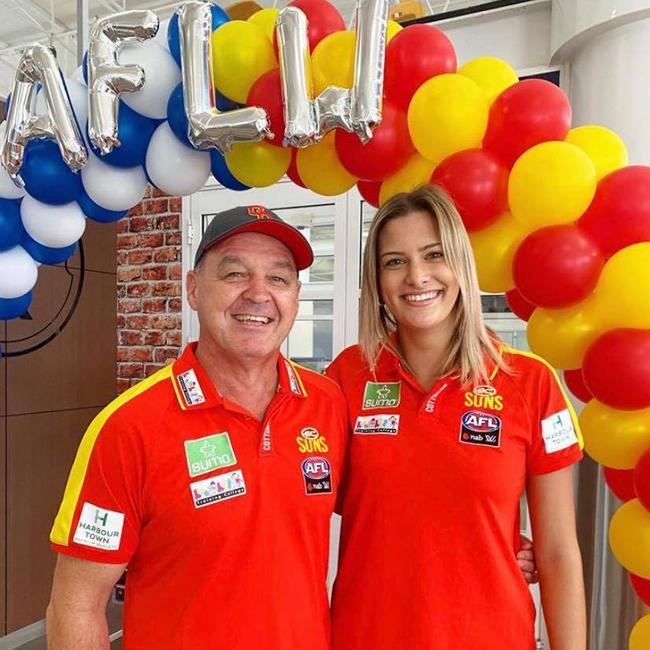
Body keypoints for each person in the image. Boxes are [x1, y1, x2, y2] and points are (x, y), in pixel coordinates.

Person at [46, 205, 349, 649]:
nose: (259, 294)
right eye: (234, 275)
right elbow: (75, 603)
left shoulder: (328, 404)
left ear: (296, 297)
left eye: (279, 279)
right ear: (192, 289)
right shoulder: (128, 427)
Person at [325, 185, 586, 650]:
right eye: (395, 261)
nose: (417, 276)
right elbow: (298, 502)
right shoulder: (347, 377)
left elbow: (559, 552)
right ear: (378, 282)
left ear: (461, 265)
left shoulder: (529, 383)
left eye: (433, 254)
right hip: (366, 636)